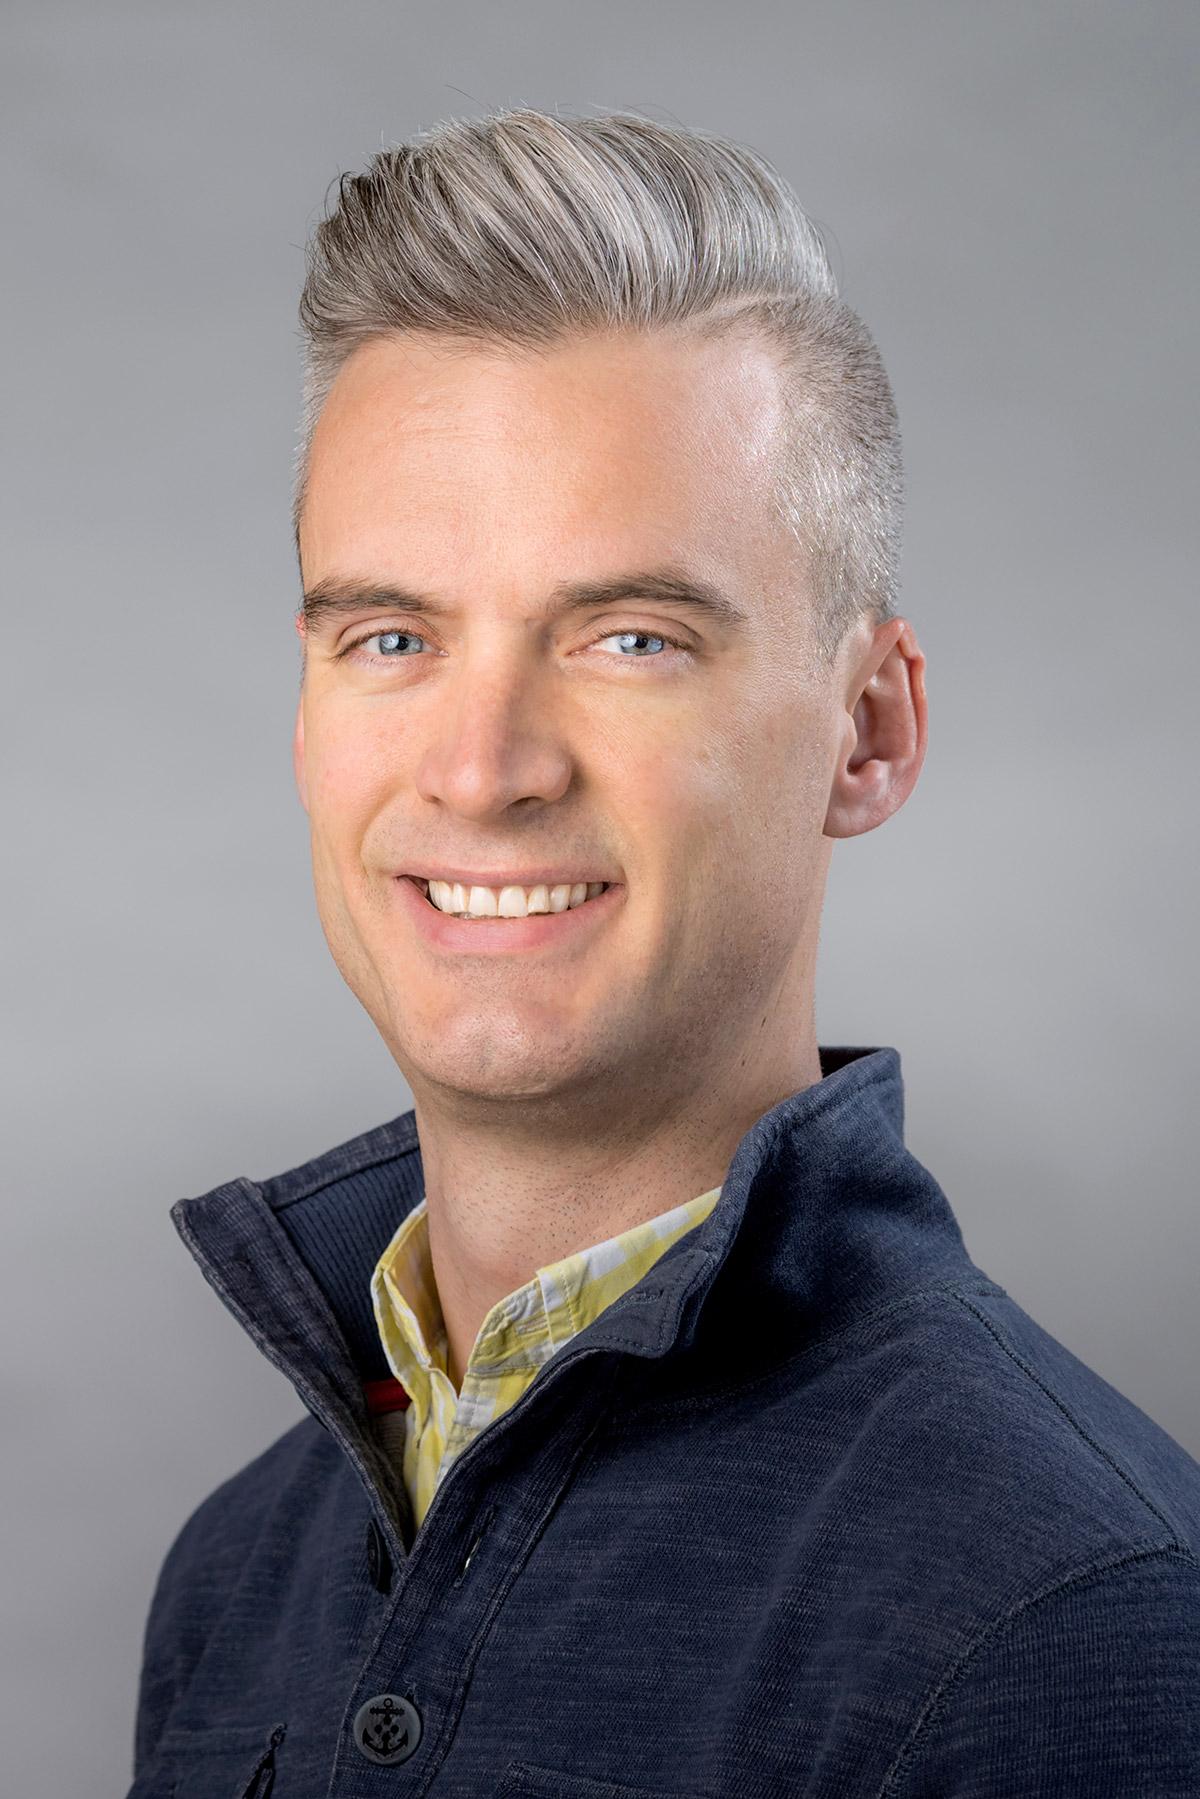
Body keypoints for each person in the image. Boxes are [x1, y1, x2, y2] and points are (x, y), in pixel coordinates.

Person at [129, 107, 1200, 1798]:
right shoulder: (234, 1579)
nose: (483, 769)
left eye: (631, 637)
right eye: (392, 636)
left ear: (868, 730)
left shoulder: (1074, 1619)